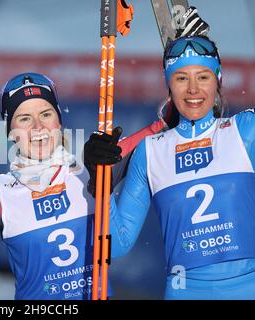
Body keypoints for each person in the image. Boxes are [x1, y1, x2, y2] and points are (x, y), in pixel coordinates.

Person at [84, 34, 255, 299]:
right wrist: (101, 183)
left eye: (203, 76)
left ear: (218, 80)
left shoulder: (244, 132)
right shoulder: (150, 151)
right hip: (185, 291)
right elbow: (115, 246)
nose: (193, 89)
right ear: (168, 84)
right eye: (181, 78)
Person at [0, 72, 120, 300]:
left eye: (46, 114)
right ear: (10, 132)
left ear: (59, 120)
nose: (38, 127)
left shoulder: (94, 169)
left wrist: (170, 114)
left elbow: (155, 139)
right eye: (24, 118)